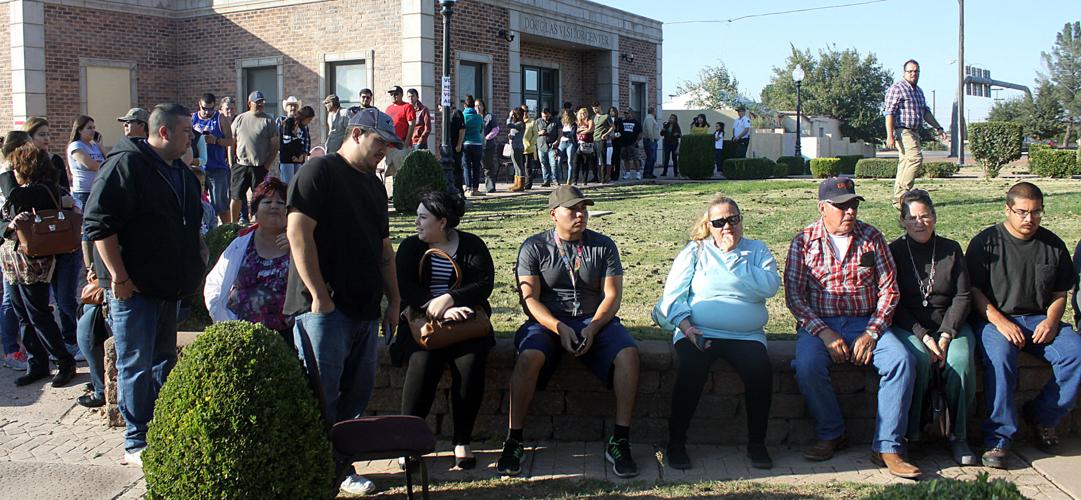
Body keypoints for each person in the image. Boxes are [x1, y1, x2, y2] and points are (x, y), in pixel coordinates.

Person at [286, 108, 403, 495]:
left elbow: (383, 246)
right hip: (325, 310)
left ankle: (341, 465)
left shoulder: (372, 184)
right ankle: (318, 469)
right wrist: (319, 295)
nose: (384, 151)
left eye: (389, 145)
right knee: (322, 395)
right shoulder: (318, 172)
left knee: (356, 394)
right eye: (380, 142)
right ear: (355, 133)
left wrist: (395, 298)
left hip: (365, 308)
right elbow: (298, 234)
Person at [84, 103, 207, 467]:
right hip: (133, 289)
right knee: (135, 362)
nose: (192, 136)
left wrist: (198, 256)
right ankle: (136, 440)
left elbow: (191, 221)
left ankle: (161, 427)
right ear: (164, 132)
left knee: (162, 359)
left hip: (168, 286)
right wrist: (119, 277)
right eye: (186, 130)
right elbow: (99, 226)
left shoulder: (180, 172)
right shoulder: (126, 165)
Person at [498, 185, 641, 479]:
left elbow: (612, 295)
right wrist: (558, 326)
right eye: (573, 209)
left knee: (629, 355)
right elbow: (530, 300)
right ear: (553, 214)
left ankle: (619, 439)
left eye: (584, 209)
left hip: (593, 319)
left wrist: (593, 326)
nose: (581, 214)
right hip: (548, 321)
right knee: (529, 357)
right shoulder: (534, 247)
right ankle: (514, 439)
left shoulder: (603, 245)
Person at [784, 177, 920, 479]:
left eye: (853, 206)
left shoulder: (872, 237)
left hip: (866, 321)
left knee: (901, 361)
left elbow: (889, 291)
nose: (850, 213)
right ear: (823, 207)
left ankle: (888, 446)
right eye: (842, 207)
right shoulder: (804, 241)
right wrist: (824, 332)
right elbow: (794, 296)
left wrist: (872, 333)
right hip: (820, 323)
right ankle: (832, 432)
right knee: (806, 365)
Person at [656, 194, 780, 470]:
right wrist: (688, 329)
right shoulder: (696, 251)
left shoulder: (757, 251)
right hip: (698, 330)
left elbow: (770, 287)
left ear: (740, 221)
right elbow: (673, 296)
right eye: (720, 222)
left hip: (745, 335)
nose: (727, 227)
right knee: (691, 369)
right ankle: (676, 443)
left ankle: (757, 444)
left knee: (760, 372)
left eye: (733, 219)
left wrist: (735, 261)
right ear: (709, 225)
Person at [966, 182, 1081, 469]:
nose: (1029, 219)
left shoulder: (1053, 244)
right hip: (995, 319)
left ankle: (1044, 416)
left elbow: (1059, 293)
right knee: (1000, 358)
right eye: (1022, 212)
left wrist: (1053, 322)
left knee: (1075, 353)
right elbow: (974, 291)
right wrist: (1000, 322)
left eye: (1036, 212)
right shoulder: (986, 242)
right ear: (1008, 209)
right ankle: (999, 437)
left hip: (1040, 318)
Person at [391, 191, 494, 470]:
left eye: (423, 217)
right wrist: (437, 307)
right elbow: (408, 288)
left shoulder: (471, 245)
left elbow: (484, 283)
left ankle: (462, 441)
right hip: (422, 326)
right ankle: (408, 442)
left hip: (465, 326)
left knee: (471, 364)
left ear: (443, 222)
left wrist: (452, 298)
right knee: (422, 364)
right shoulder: (411, 248)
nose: (417, 223)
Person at [887, 189, 975, 466]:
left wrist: (947, 334)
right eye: (911, 217)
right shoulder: (894, 251)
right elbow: (894, 301)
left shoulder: (951, 249)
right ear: (902, 221)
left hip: (950, 325)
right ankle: (911, 435)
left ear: (934, 217)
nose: (919, 223)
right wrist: (923, 336)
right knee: (919, 361)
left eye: (925, 216)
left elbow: (963, 296)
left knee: (960, 362)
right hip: (911, 326)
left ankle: (958, 436)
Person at [1, 136, 77, 388]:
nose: (11, 171)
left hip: (33, 261)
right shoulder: (19, 191)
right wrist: (8, 226)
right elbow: (4, 219)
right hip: (11, 261)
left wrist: (4, 170)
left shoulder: (42, 189)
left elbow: (13, 193)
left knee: (38, 314)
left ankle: (64, 361)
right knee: (23, 314)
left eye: (15, 166)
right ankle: (38, 363)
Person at [205, 177, 291, 343]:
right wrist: (226, 321)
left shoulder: (300, 244)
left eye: (281, 203)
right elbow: (215, 284)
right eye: (267, 202)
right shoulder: (240, 243)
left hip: (287, 337)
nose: (274, 206)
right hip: (239, 336)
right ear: (255, 211)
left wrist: (297, 245)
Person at [24, 117, 82, 360]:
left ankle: (77, 339)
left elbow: (66, 197)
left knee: (65, 297)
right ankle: (63, 342)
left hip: (61, 237)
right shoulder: (23, 166)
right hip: (40, 242)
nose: (47, 139)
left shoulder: (54, 160)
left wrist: (62, 203)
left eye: (48, 134)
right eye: (41, 135)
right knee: (49, 300)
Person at [884, 59, 948, 209]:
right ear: (904, 72)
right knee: (915, 159)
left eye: (916, 71)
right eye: (910, 71)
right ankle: (903, 195)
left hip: (914, 131)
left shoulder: (918, 91)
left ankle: (897, 199)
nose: (913, 74)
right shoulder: (897, 88)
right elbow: (889, 113)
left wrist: (938, 128)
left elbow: (925, 112)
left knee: (905, 163)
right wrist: (890, 135)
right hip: (902, 130)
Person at [230, 91, 278, 224]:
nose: (260, 104)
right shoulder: (240, 119)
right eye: (257, 102)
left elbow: (275, 144)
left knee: (259, 197)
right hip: (240, 165)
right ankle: (233, 225)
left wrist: (267, 164)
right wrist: (231, 162)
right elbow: (232, 141)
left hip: (259, 166)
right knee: (236, 197)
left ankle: (258, 224)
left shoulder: (268, 120)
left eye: (262, 102)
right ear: (249, 103)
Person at [191, 94, 234, 224]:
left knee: (220, 204)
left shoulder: (220, 119)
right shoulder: (193, 118)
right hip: (197, 167)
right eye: (204, 108)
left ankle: (227, 231)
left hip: (216, 168)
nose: (207, 112)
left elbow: (231, 141)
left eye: (210, 109)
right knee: (196, 202)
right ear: (199, 104)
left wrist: (216, 140)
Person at [67, 115, 106, 211]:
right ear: (80, 130)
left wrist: (101, 146)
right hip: (84, 193)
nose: (93, 131)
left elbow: (110, 160)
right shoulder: (76, 146)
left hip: (98, 190)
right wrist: (108, 167)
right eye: (89, 128)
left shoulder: (95, 146)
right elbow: (91, 165)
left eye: (94, 128)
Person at [382, 85, 416, 178]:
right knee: (392, 175)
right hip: (389, 147)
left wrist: (406, 142)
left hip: (401, 146)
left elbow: (411, 124)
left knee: (403, 174)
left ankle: (403, 192)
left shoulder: (407, 107)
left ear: (401, 95)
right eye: (391, 94)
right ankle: (394, 192)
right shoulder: (388, 108)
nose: (393, 96)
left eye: (396, 94)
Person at [279, 105, 315, 184]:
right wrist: (294, 155)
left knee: (297, 183)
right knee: (287, 183)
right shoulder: (289, 122)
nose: (309, 122)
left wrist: (302, 154)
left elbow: (305, 140)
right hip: (287, 158)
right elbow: (286, 141)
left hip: (299, 159)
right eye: (309, 119)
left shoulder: (303, 127)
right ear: (304, 117)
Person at [461, 96, 485, 197]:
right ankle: (476, 188)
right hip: (477, 144)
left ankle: (468, 188)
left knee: (466, 166)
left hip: (466, 143)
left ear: (465, 105)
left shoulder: (462, 116)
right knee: (476, 167)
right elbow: (480, 129)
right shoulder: (479, 117)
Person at [478, 99, 499, 193]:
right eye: (475, 106)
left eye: (479, 105)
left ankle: (490, 187)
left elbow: (496, 129)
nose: (477, 108)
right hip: (476, 145)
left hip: (487, 146)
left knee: (488, 167)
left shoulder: (489, 116)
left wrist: (487, 138)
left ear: (483, 106)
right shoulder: (474, 117)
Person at [537, 108, 561, 187]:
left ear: (550, 114)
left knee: (553, 164)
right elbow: (534, 133)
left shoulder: (556, 120)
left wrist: (557, 142)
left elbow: (560, 132)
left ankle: (555, 180)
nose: (545, 118)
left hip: (552, 145)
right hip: (541, 145)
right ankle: (546, 181)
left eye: (547, 116)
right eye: (544, 116)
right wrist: (540, 133)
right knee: (544, 164)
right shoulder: (538, 121)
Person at [591, 102, 614, 182]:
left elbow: (612, 127)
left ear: (600, 107)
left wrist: (606, 134)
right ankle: (595, 177)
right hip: (594, 139)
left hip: (602, 140)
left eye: (596, 108)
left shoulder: (606, 116)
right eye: (593, 109)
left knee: (602, 159)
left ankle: (603, 178)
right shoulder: (593, 117)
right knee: (594, 160)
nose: (595, 110)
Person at [507, 107, 527, 192]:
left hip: (518, 147)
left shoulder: (520, 123)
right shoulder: (517, 123)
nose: (513, 116)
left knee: (519, 166)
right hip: (513, 146)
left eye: (514, 114)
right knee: (515, 166)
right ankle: (516, 183)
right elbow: (514, 133)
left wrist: (509, 116)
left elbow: (509, 125)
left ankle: (521, 185)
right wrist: (511, 136)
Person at [574, 107, 597, 184]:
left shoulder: (590, 121)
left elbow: (590, 129)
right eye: (581, 113)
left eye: (584, 113)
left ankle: (584, 180)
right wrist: (582, 131)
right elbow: (575, 131)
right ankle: (575, 180)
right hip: (578, 144)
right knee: (576, 163)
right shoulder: (578, 122)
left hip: (587, 145)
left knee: (585, 163)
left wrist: (581, 131)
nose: (583, 114)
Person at [617, 110, 641, 180]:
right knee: (626, 159)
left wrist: (637, 141)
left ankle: (638, 173)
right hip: (624, 143)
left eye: (627, 113)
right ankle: (628, 173)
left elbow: (640, 133)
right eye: (625, 113)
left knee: (635, 159)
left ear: (631, 113)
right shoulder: (622, 122)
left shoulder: (636, 122)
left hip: (633, 143)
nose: (626, 115)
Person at [557, 109, 578, 186]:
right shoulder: (562, 123)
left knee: (570, 162)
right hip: (562, 142)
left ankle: (569, 180)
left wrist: (563, 133)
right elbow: (559, 132)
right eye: (565, 114)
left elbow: (572, 134)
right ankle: (558, 179)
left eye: (567, 114)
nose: (566, 116)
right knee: (558, 161)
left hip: (570, 143)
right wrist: (563, 134)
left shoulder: (574, 124)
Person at [642, 107, 660, 179]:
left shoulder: (652, 118)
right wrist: (652, 139)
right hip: (650, 141)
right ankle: (647, 173)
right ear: (652, 111)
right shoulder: (649, 118)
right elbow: (649, 129)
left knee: (653, 158)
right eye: (655, 111)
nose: (656, 112)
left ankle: (650, 172)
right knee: (650, 157)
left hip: (652, 141)